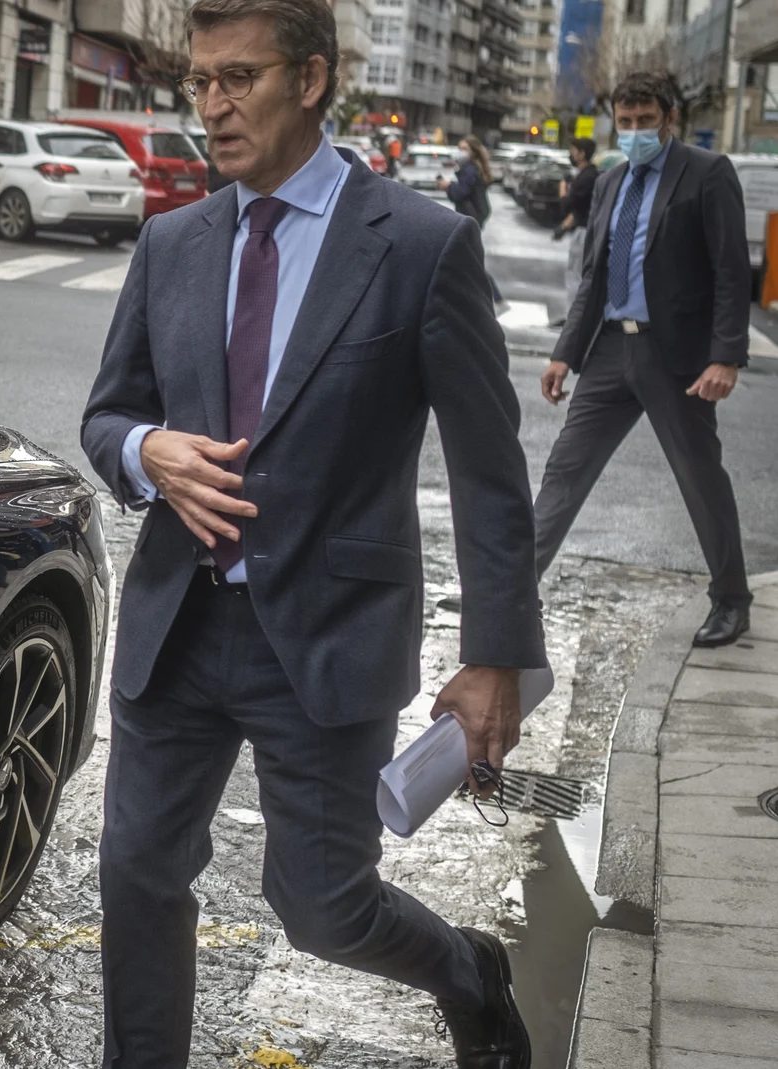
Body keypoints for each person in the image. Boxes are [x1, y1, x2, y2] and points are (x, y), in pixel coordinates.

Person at [81, 0, 546, 1065]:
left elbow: (487, 471)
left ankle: (468, 970)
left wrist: (493, 659)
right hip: (176, 627)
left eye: (238, 78)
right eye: (200, 82)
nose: (212, 106)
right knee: (135, 871)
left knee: (322, 907)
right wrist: (145, 451)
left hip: (328, 637)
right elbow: (106, 414)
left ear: (312, 80)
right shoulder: (172, 243)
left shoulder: (420, 246)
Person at [538, 71, 752, 647]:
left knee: (699, 478)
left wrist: (726, 357)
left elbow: (732, 273)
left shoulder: (708, 174)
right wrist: (565, 353)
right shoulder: (609, 183)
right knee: (564, 471)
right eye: (625, 123)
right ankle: (511, 588)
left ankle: (732, 599)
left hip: (675, 356)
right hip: (608, 350)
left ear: (669, 119)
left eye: (645, 122)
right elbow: (594, 277)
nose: (634, 132)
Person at [439, 135, 508, 312]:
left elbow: (460, 193)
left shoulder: (470, 169)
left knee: (471, 261)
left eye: (464, 149)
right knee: (464, 259)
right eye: (459, 147)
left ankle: (496, 299)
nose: (460, 152)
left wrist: (447, 186)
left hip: (470, 218)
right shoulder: (472, 167)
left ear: (473, 151)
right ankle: (459, 298)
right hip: (473, 217)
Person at [548, 137, 599, 327]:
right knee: (576, 273)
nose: (571, 154)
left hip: (584, 232)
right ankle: (573, 316)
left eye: (573, 150)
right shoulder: (588, 175)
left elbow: (568, 205)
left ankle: (574, 319)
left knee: (575, 274)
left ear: (582, 154)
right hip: (582, 229)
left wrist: (563, 189)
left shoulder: (586, 177)